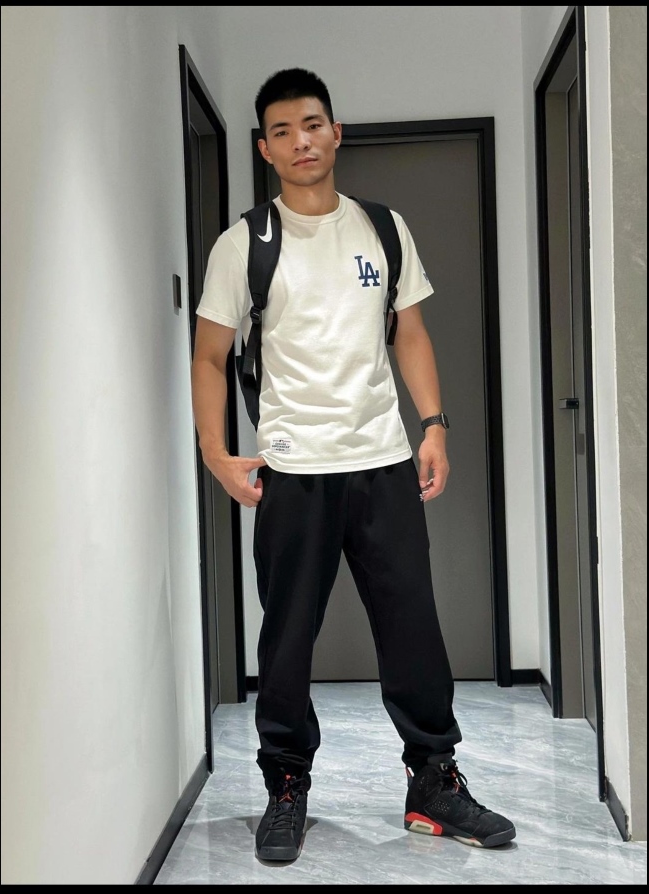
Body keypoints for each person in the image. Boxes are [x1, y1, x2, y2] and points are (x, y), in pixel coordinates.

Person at [191, 67, 516, 862]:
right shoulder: (244, 245)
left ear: (336, 133)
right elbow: (208, 356)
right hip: (293, 472)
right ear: (266, 150)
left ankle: (433, 781)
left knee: (414, 632)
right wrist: (216, 454)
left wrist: (433, 425)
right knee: (286, 645)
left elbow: (410, 332)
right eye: (282, 131)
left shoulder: (383, 228)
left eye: (312, 125)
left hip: (383, 463)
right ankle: (286, 787)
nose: (300, 141)